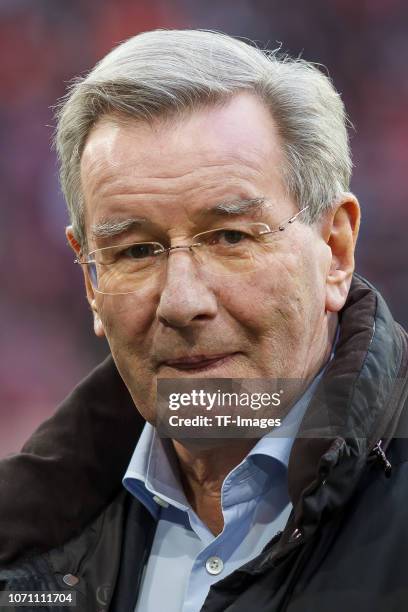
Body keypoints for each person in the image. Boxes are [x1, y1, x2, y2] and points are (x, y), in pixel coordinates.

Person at [0, 28, 407, 612]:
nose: (182, 301)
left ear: (335, 250)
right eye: (135, 251)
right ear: (91, 280)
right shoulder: (24, 542)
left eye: (231, 237)